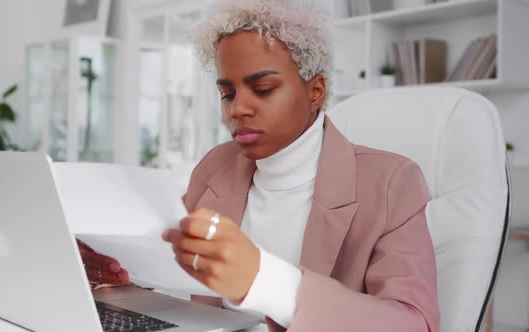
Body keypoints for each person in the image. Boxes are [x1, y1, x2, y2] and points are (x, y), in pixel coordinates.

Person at [81, 0, 440, 330]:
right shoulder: (215, 165)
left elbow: (414, 324)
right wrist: (123, 275)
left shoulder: (392, 183)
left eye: (263, 88)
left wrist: (266, 281)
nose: (238, 109)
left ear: (315, 91)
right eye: (227, 93)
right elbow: (180, 275)